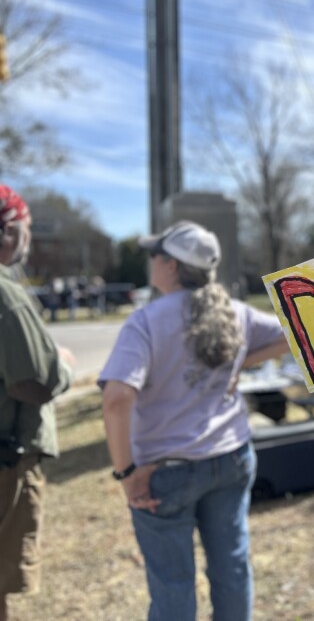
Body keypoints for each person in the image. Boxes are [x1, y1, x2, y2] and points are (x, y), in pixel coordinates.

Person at [99, 220, 289, 621]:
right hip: (232, 458)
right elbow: (293, 332)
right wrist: (243, 362)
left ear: (170, 266)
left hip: (164, 472)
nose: (150, 262)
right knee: (233, 568)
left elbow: (116, 398)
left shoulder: (146, 321)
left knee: (172, 583)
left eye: (154, 255)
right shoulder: (236, 312)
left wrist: (126, 473)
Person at [0, 185, 75, 621]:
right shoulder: (7, 295)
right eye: (26, 229)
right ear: (11, 230)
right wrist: (62, 365)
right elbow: (33, 383)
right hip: (8, 460)